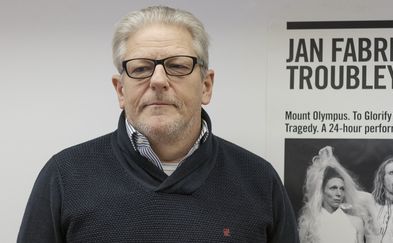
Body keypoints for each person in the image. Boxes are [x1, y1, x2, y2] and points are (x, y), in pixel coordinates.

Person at [17, 6, 298, 243]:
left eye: (177, 66)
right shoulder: (65, 177)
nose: (159, 81)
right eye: (140, 68)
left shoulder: (259, 181)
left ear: (206, 86)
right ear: (120, 91)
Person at [298, 146, 373, 243]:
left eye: (342, 189)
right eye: (333, 188)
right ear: (322, 191)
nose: (339, 193)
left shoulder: (356, 223)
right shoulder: (309, 225)